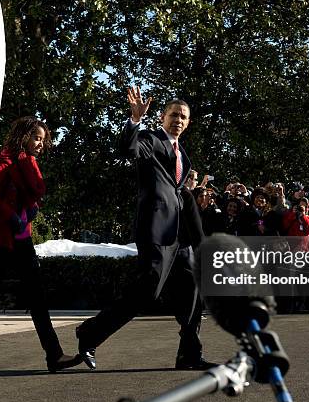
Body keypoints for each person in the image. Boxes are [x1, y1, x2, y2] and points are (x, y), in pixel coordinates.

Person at [75, 87, 213, 371]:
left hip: (179, 238)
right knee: (147, 291)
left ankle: (189, 353)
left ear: (188, 123)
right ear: (163, 117)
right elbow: (128, 148)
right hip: (155, 230)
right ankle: (90, 334)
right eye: (173, 114)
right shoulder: (150, 140)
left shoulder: (182, 155)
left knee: (191, 291)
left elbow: (179, 194)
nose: (178, 119)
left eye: (183, 117)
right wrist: (134, 121)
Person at [0, 116, 81, 374]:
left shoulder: (28, 163)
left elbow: (31, 193)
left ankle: (54, 356)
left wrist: (29, 209)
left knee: (37, 296)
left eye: (43, 139)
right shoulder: (6, 161)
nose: (40, 144)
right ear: (23, 137)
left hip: (21, 238)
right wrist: (10, 214)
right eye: (36, 138)